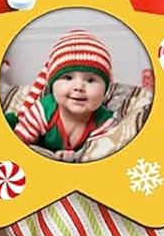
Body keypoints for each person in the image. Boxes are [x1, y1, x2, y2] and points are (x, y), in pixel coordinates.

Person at [7, 30, 117, 162]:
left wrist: (75, 155)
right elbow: (18, 142)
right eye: (68, 77)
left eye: (90, 80)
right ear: (52, 85)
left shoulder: (104, 122)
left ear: (106, 89)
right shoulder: (43, 110)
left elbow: (100, 154)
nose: (79, 87)